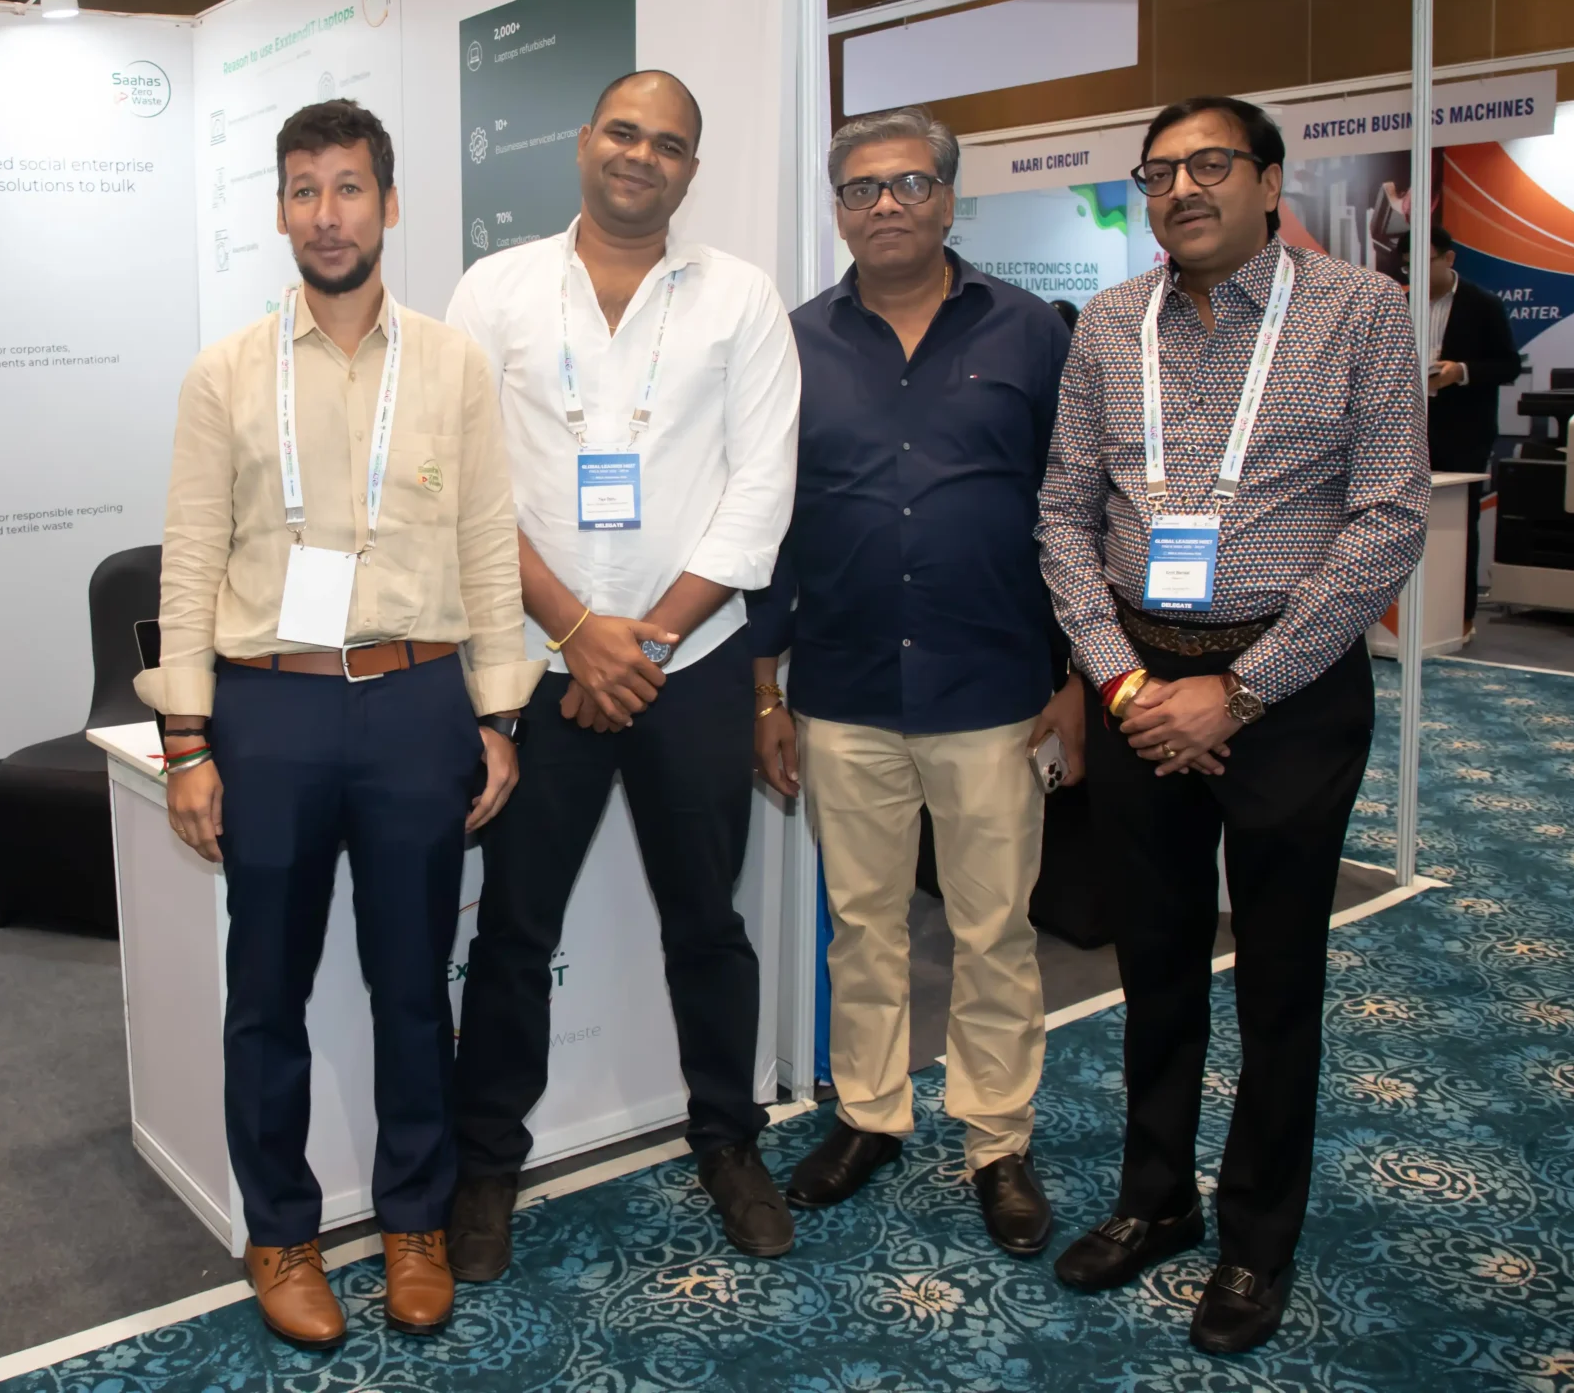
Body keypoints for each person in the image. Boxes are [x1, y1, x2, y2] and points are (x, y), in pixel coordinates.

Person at [133, 99, 534, 1350]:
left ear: (388, 204)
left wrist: (499, 714)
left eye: (349, 188)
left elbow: (486, 544)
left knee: (412, 985)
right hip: (273, 708)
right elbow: (190, 560)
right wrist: (187, 742)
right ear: (279, 212)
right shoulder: (225, 373)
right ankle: (282, 1233)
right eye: (303, 190)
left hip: (417, 703)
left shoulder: (453, 365)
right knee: (267, 992)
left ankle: (414, 1220)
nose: (327, 214)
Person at [1038, 96, 1426, 1354]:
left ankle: (1258, 1240)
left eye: (1209, 164)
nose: (1182, 190)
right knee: (1152, 963)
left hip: (1289, 695)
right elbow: (1062, 515)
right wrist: (1122, 686)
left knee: (1277, 977)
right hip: (1141, 689)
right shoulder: (1110, 324)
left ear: (1268, 181)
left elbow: (1388, 517)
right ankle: (1155, 1201)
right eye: (1158, 172)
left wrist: (1243, 689)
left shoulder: (1360, 313)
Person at [445, 69, 802, 1274]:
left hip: (689, 667)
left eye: (668, 143)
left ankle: (728, 1141)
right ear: (584, 141)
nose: (641, 156)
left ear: (690, 169)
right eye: (623, 131)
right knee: (512, 930)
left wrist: (641, 639)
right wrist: (574, 632)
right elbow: (466, 485)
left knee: (708, 925)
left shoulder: (739, 298)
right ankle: (487, 1165)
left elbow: (761, 489)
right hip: (535, 668)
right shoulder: (495, 289)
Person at [747, 107, 1083, 1255]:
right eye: (860, 189)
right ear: (837, 210)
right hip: (840, 688)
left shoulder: (1029, 332)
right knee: (862, 926)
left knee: (993, 929)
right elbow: (769, 526)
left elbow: (1072, 510)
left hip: (994, 689)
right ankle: (869, 1115)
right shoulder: (795, 342)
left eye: (906, 184)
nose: (883, 204)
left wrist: (1076, 677)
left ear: (947, 195)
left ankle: (997, 1139)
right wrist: (762, 689)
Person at [1407, 228, 1519, 632]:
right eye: (1408, 266)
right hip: (1407, 429)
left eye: (1425, 261)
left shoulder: (1481, 304)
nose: (1416, 272)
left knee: (1460, 522)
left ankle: (1460, 616)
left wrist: (1461, 372)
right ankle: (1407, 618)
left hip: (1462, 432)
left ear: (1448, 258)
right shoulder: (1399, 303)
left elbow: (1508, 365)